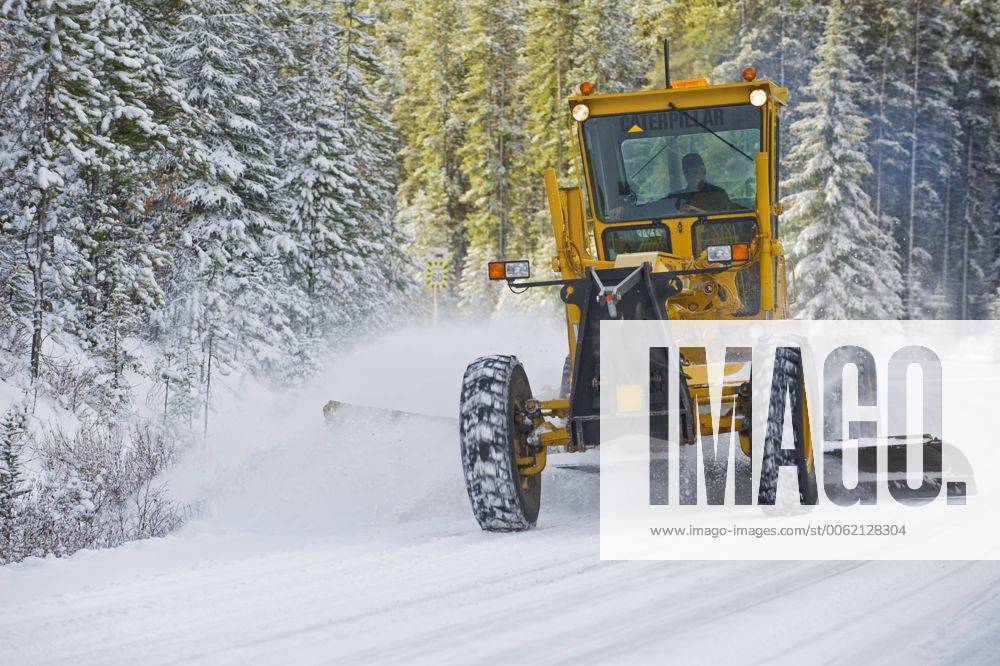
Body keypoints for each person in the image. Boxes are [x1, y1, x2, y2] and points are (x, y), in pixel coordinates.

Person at [668, 152, 736, 213]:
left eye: (695, 172)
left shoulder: (719, 194)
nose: (691, 177)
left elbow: (726, 221)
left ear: (703, 171)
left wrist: (694, 210)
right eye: (687, 173)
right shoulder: (676, 198)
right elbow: (659, 207)